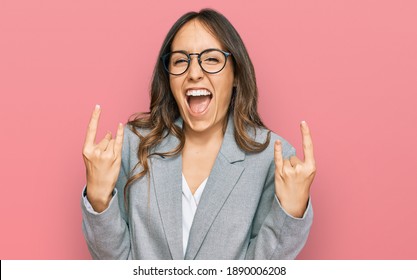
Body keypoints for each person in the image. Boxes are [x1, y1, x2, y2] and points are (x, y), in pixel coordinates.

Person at [81, 8, 316, 260]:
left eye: (212, 59)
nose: (194, 73)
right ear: (168, 76)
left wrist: (291, 211)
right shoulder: (131, 146)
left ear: (236, 74)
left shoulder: (274, 158)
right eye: (181, 61)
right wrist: (98, 199)